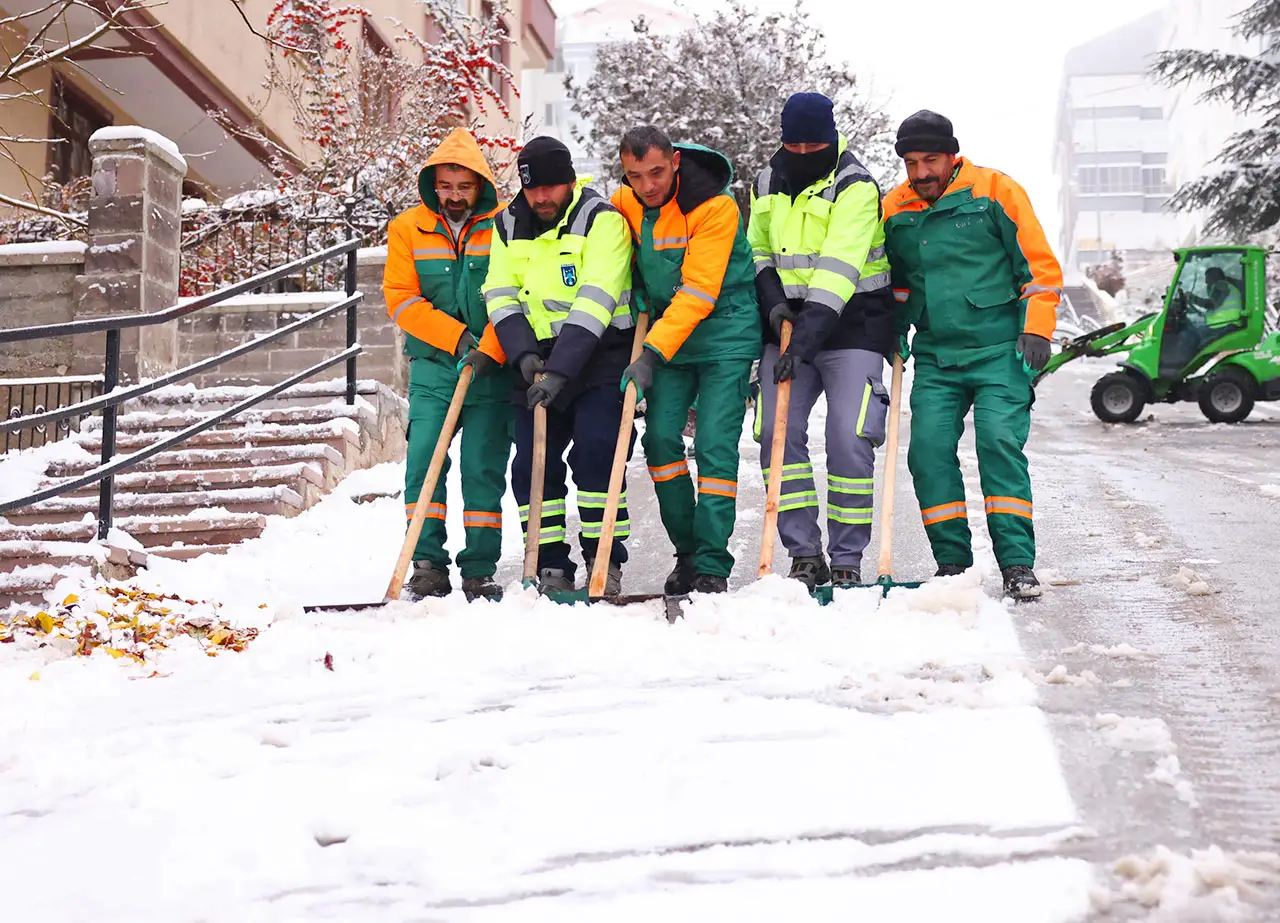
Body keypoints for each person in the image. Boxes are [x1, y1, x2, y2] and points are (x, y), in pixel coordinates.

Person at [881, 110, 1062, 601]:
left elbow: (1038, 267)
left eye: (931, 160)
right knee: (928, 453)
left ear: (952, 154)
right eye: (912, 163)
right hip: (936, 356)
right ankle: (953, 563)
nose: (921, 173)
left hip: (1000, 349)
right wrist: (892, 328)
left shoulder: (996, 191)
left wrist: (1037, 328)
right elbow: (895, 281)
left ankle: (1017, 563)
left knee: (998, 444)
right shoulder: (895, 207)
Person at [747, 92, 895, 590]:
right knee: (774, 433)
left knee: (849, 438)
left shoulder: (856, 186)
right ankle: (804, 553)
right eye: (796, 143)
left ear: (832, 138)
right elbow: (759, 252)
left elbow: (837, 274)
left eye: (815, 144)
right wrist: (773, 306)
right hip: (787, 325)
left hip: (853, 325)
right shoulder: (765, 181)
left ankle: (848, 554)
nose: (805, 152)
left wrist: (800, 347)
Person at [610, 125, 761, 595]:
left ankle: (713, 562)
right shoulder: (624, 204)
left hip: (724, 336)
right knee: (658, 442)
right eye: (636, 176)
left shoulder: (714, 207)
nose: (648, 186)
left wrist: (650, 354)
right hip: (668, 338)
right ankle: (688, 553)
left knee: (715, 446)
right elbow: (622, 261)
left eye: (656, 172)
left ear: (674, 162)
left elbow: (698, 291)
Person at [482, 137, 635, 594]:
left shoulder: (602, 221)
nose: (542, 198)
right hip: (535, 361)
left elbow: (596, 300)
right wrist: (525, 356)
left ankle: (603, 557)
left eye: (551, 187)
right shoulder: (506, 224)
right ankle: (549, 563)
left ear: (570, 181)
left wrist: (560, 372)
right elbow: (500, 292)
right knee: (532, 464)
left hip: (598, 358)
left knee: (597, 453)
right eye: (533, 190)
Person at [383, 127, 512, 602]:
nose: (455, 197)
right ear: (433, 185)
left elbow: (516, 291)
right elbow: (401, 299)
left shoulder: (504, 225)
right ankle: (427, 565)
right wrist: (456, 338)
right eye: (446, 187)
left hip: (490, 369)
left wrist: (490, 348)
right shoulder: (408, 228)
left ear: (479, 185)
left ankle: (480, 569)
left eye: (464, 187)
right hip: (435, 367)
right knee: (423, 465)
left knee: (482, 469)